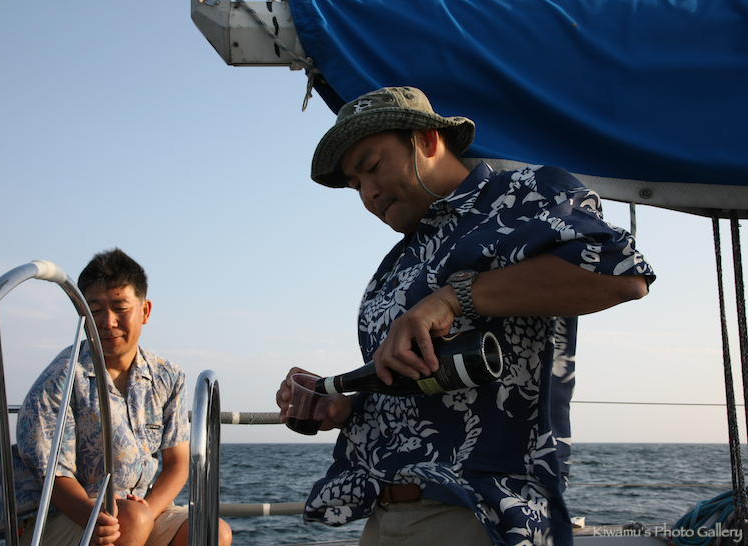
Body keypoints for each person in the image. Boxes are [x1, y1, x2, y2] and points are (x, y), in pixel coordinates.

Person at [276, 87, 655, 546]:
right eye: (355, 185)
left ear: (427, 139)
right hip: (384, 514)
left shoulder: (522, 194)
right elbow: (416, 383)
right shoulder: (395, 264)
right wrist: (346, 406)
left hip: (480, 515)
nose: (368, 194)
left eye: (371, 167)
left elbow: (619, 273)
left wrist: (451, 300)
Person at [0, 248, 232, 546]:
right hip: (56, 516)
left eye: (120, 308)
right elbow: (53, 478)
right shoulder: (60, 378)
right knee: (131, 521)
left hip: (135, 509)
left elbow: (177, 463)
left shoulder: (168, 377)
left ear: (145, 311)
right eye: (95, 311)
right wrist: (100, 519)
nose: (108, 322)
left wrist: (148, 511)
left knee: (213, 532)